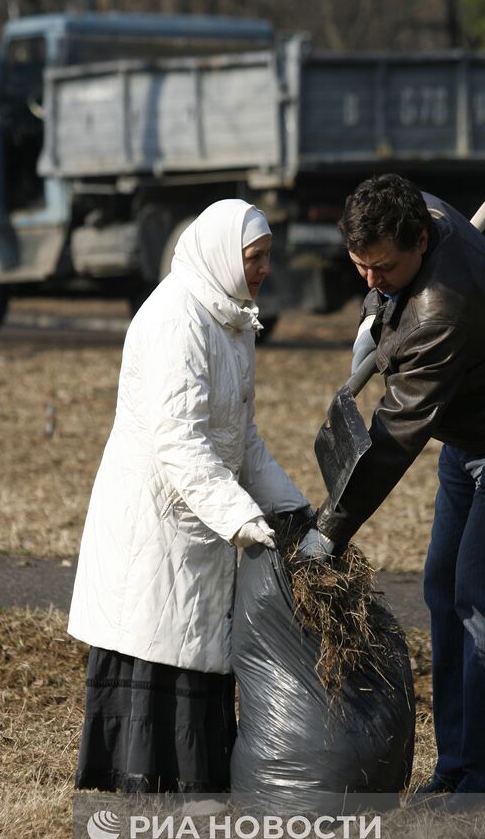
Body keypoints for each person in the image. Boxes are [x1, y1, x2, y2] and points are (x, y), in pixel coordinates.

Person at [301, 174, 485, 794]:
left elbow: (394, 437)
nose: (370, 280)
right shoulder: (413, 210)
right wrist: (377, 313)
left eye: (385, 269)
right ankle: (456, 764)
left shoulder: (441, 310)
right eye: (360, 267)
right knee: (443, 586)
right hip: (471, 424)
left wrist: (331, 531)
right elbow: (387, 292)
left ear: (423, 242)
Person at [69, 199, 309, 794]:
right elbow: (179, 442)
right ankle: (141, 785)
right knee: (156, 639)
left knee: (195, 643)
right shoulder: (178, 319)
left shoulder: (232, 318)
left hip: (199, 512)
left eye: (267, 258)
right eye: (255, 258)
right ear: (225, 254)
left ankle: (193, 787)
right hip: (154, 517)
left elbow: (241, 439)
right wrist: (242, 519)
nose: (263, 270)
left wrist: (291, 508)